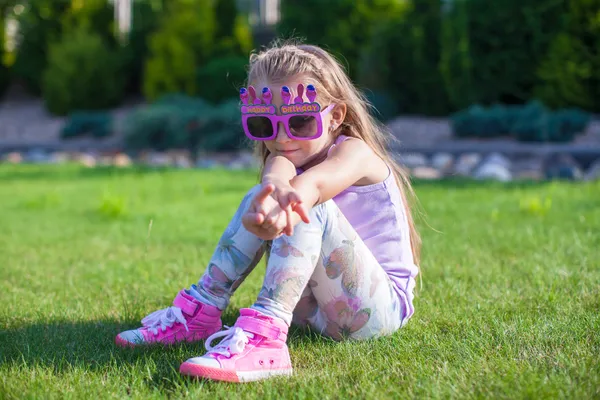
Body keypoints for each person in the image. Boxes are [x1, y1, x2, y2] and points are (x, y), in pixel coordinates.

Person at [115, 41, 421, 383]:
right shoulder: (282, 158)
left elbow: (317, 185)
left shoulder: (356, 153)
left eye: (301, 122)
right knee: (266, 195)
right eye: (265, 125)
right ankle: (201, 310)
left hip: (377, 311)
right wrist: (268, 200)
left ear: (336, 116)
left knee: (305, 204)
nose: (281, 137)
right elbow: (276, 178)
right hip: (313, 311)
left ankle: (267, 340)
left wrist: (289, 199)